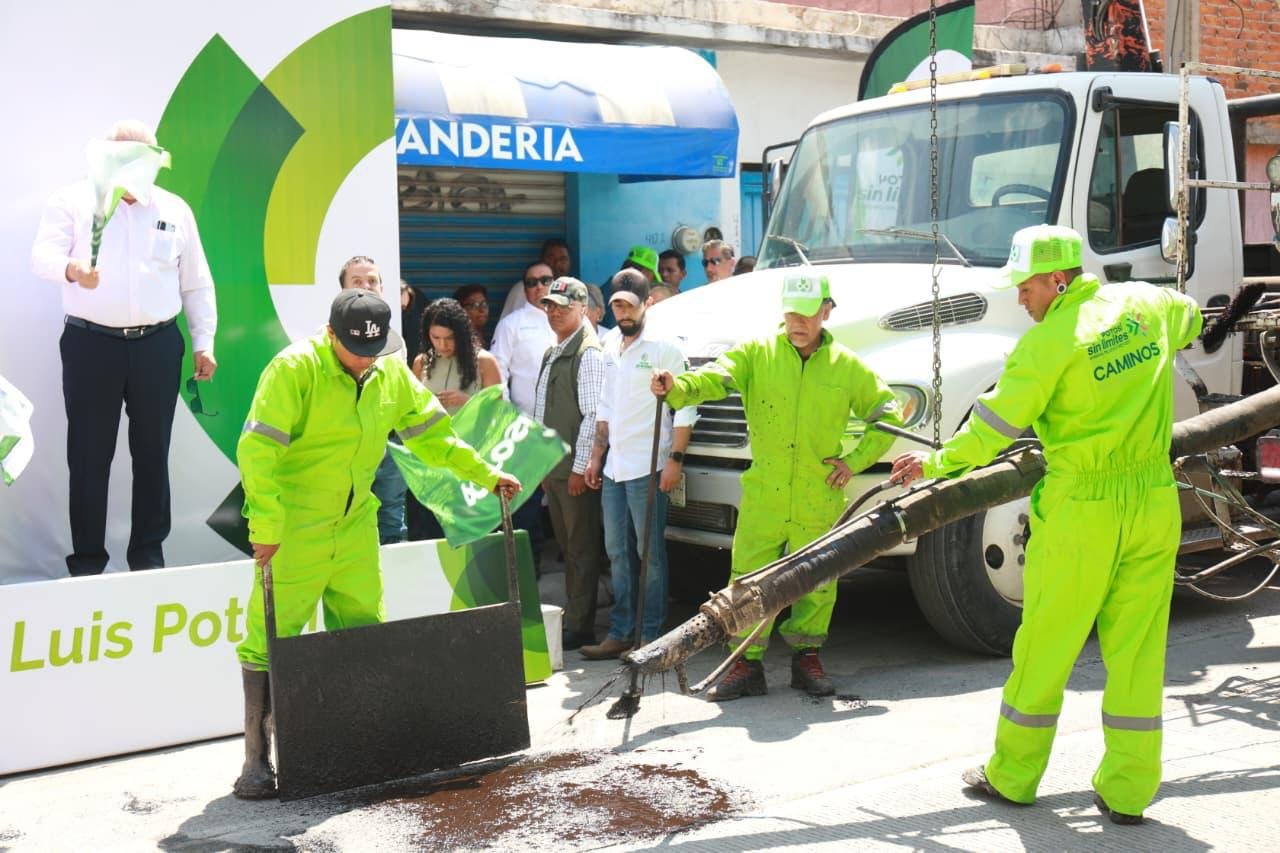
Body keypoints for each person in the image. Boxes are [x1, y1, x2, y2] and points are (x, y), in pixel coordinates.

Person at [890, 225, 1203, 825]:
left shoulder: (1046, 345)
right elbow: (1189, 315)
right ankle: (1129, 790)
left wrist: (931, 463)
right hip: (1153, 500)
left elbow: (988, 435)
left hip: (1083, 507)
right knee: (1138, 652)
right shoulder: (1144, 303)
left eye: (1026, 286)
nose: (1020, 298)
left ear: (1057, 279)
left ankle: (1013, 775)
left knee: (1045, 645)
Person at [232, 289, 520, 799]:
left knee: (362, 627)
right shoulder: (293, 369)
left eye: (372, 349)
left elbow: (433, 435)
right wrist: (266, 528)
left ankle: (351, 748)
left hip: (356, 524)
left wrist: (484, 473)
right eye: (353, 348)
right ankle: (256, 760)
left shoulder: (389, 373)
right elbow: (257, 451)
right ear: (329, 334)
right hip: (294, 530)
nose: (364, 359)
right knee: (269, 637)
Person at [651, 273, 902, 700]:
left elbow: (888, 412)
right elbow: (713, 379)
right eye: (790, 313)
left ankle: (807, 659)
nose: (797, 322)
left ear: (826, 310)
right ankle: (746, 664)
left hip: (817, 492)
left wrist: (856, 460)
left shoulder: (846, 365)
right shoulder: (756, 354)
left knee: (820, 578)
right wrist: (678, 387)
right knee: (748, 577)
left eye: (806, 314)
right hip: (766, 489)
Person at [30, 119, 218, 576]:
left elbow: (196, 282)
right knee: (89, 456)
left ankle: (148, 556)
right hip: (90, 344)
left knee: (152, 453)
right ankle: (88, 562)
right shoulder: (74, 201)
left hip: (156, 345)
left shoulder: (175, 209)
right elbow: (42, 257)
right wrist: (74, 269)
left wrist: (203, 341)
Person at [581, 270, 695, 659]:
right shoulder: (610, 342)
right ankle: (621, 632)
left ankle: (650, 635)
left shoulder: (666, 347)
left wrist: (675, 461)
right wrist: (596, 456)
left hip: (649, 464)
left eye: (630, 305)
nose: (623, 312)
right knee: (616, 550)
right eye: (617, 305)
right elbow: (606, 405)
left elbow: (685, 409)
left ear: (647, 303)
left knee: (650, 554)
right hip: (615, 465)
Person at [534, 277, 607, 650]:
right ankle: (575, 617)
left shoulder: (588, 353)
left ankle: (581, 625)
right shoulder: (555, 351)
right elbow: (543, 411)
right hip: (556, 469)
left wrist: (580, 467)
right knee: (568, 546)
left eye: (563, 306)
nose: (554, 312)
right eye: (549, 305)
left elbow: (593, 416)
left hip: (574, 472)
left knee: (580, 549)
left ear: (582, 308)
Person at [406, 298, 503, 541]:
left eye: (449, 338)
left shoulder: (484, 361)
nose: (442, 345)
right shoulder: (421, 362)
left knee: (470, 532)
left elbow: (499, 412)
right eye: (435, 337)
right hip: (430, 461)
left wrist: (466, 401)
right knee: (429, 532)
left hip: (471, 459)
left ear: (461, 333)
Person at [336, 257, 407, 545]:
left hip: (389, 446)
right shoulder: (327, 338)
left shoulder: (394, 342)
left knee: (392, 522)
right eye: (357, 281)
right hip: (346, 449)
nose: (366, 287)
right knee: (346, 520)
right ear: (342, 291)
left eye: (372, 281)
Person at [490, 262, 556, 417]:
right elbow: (497, 370)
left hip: (567, 424)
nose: (539, 286)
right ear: (525, 290)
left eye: (545, 281)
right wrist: (506, 413)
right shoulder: (510, 324)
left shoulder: (569, 320)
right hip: (527, 423)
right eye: (532, 283)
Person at [500, 238, 572, 319]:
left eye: (563, 259)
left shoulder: (574, 292)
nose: (557, 264)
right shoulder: (523, 288)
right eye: (551, 258)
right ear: (542, 260)